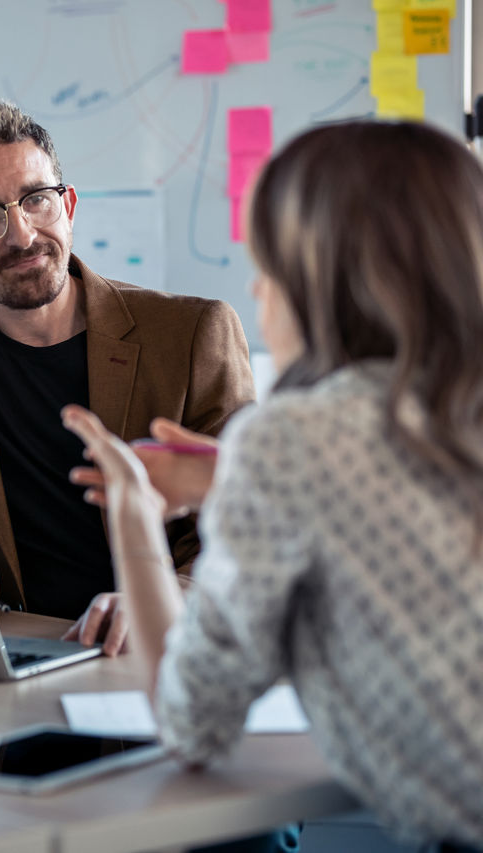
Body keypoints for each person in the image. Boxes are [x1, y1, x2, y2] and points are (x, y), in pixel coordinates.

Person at [63, 120, 483, 849]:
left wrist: (134, 518)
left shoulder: (293, 438)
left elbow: (190, 721)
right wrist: (236, 480)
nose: (255, 289)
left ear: (323, 284)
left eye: (267, 267)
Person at [0, 99, 255, 653]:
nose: (22, 235)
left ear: (67, 206)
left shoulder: (193, 334)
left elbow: (248, 527)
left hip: (150, 654)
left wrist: (165, 597)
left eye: (36, 200)